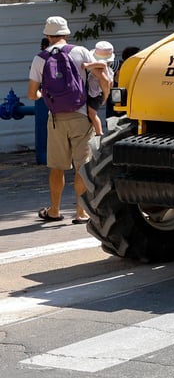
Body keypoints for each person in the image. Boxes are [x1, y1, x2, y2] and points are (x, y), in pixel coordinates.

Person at [27, 16, 98, 224]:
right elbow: (94, 81)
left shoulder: (40, 58)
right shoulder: (82, 52)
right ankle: (81, 212)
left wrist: (44, 96)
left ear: (47, 36)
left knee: (57, 167)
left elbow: (32, 94)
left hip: (56, 118)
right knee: (82, 166)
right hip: (82, 115)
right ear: (67, 33)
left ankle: (55, 211)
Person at [86, 40, 115, 135]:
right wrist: (106, 95)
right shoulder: (110, 70)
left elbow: (106, 79)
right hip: (98, 93)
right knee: (91, 113)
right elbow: (110, 83)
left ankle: (99, 132)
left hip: (96, 94)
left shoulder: (102, 66)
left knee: (92, 113)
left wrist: (87, 65)